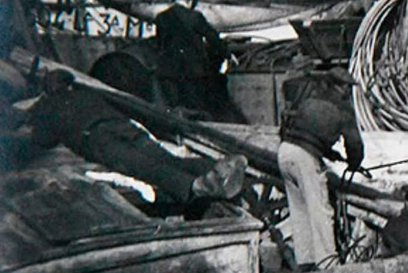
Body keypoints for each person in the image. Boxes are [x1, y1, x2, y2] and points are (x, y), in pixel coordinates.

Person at [27, 69, 246, 210]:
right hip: (124, 126)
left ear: (47, 89)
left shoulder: (47, 106)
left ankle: (199, 186)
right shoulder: (85, 93)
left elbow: (42, 140)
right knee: (167, 159)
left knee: (147, 168)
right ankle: (216, 169)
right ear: (68, 85)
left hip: (98, 139)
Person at [277, 66, 364, 270]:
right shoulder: (343, 108)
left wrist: (327, 152)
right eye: (347, 87)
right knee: (321, 211)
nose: (348, 92)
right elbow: (355, 144)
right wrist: (354, 164)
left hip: (285, 151)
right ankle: (328, 263)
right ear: (340, 87)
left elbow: (303, 132)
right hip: (305, 157)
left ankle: (305, 261)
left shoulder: (307, 98)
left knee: (299, 209)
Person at [154, 3, 244, 122]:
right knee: (196, 106)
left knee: (172, 105)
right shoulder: (194, 16)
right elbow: (212, 37)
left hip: (168, 69)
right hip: (192, 70)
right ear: (189, 1)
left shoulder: (161, 17)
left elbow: (160, 43)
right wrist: (227, 54)